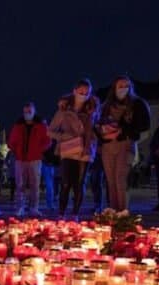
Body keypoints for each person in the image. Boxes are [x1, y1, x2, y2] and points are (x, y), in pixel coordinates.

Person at [48, 79, 100, 221]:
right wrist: (64, 136)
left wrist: (94, 136)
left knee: (80, 183)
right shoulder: (64, 109)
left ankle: (75, 213)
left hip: (85, 150)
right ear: (74, 91)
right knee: (65, 183)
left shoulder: (93, 109)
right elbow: (50, 131)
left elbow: (97, 129)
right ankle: (61, 213)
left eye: (86, 92)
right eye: (80, 91)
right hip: (68, 149)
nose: (83, 95)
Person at [97, 75, 151, 212]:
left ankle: (123, 212)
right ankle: (113, 211)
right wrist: (103, 131)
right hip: (108, 146)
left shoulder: (137, 104)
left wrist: (123, 130)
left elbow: (144, 125)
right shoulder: (106, 106)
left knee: (121, 179)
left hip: (126, 144)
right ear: (114, 88)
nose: (123, 89)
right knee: (110, 181)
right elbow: (96, 124)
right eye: (120, 86)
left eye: (126, 86)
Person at [7, 102, 51, 216]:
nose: (27, 113)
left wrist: (38, 150)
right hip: (20, 159)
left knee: (35, 185)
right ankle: (20, 207)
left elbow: (48, 141)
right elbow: (12, 141)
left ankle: (34, 208)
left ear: (34, 111)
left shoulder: (41, 125)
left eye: (29, 111)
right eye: (25, 111)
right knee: (20, 184)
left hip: (35, 159)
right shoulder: (18, 126)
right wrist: (16, 150)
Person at [41, 140, 60, 212]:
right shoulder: (54, 140)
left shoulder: (52, 141)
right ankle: (50, 204)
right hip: (48, 163)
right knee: (50, 184)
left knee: (50, 184)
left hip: (47, 163)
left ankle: (50, 204)